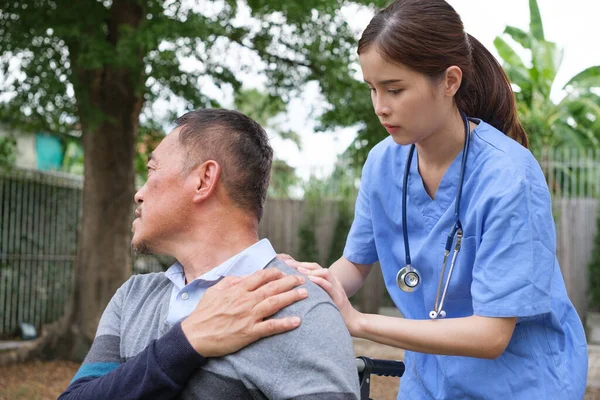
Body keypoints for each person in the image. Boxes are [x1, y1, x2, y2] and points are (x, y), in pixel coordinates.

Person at [282, 1, 588, 399]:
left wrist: (357, 322)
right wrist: (302, 288)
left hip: (521, 384)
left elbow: (491, 335)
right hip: (430, 381)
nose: (380, 107)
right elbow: (355, 264)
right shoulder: (382, 164)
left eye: (395, 89)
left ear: (449, 81)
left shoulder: (508, 176)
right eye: (372, 89)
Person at [59, 109, 360, 399]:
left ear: (204, 180)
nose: (139, 192)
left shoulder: (298, 309)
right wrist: (186, 342)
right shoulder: (133, 298)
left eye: (151, 171)